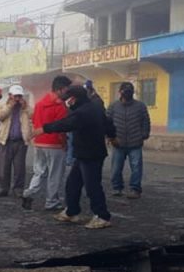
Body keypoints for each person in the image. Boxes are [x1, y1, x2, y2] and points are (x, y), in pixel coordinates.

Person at [34, 85, 116, 230]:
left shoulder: (82, 113)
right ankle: (72, 212)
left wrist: (43, 129)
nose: (67, 102)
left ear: (74, 98)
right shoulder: (94, 107)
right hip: (86, 153)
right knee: (73, 183)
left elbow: (65, 124)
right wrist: (112, 136)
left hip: (90, 154)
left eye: (69, 99)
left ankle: (102, 216)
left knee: (92, 186)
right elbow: (108, 122)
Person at [20, 76, 71, 207]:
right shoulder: (60, 107)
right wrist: (64, 143)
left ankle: (30, 192)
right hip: (54, 144)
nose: (68, 92)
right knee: (55, 173)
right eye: (67, 89)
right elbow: (61, 128)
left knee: (39, 171)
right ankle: (51, 201)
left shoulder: (40, 103)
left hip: (39, 142)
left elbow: (36, 122)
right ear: (60, 89)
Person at [107, 82, 151, 199]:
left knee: (136, 168)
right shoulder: (113, 106)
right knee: (116, 168)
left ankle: (135, 189)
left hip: (135, 142)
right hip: (117, 142)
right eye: (125, 91)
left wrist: (144, 134)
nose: (127, 93)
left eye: (129, 91)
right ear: (120, 92)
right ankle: (117, 188)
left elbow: (146, 121)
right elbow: (107, 122)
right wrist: (110, 137)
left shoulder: (140, 106)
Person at [0, 85, 32, 198]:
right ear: (10, 96)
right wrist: (9, 107)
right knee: (4, 166)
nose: (17, 99)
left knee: (19, 167)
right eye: (15, 96)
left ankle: (18, 189)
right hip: (5, 140)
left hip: (20, 141)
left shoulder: (25, 107)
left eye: (19, 96)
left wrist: (25, 108)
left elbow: (33, 115)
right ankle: (3, 188)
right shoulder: (2, 105)